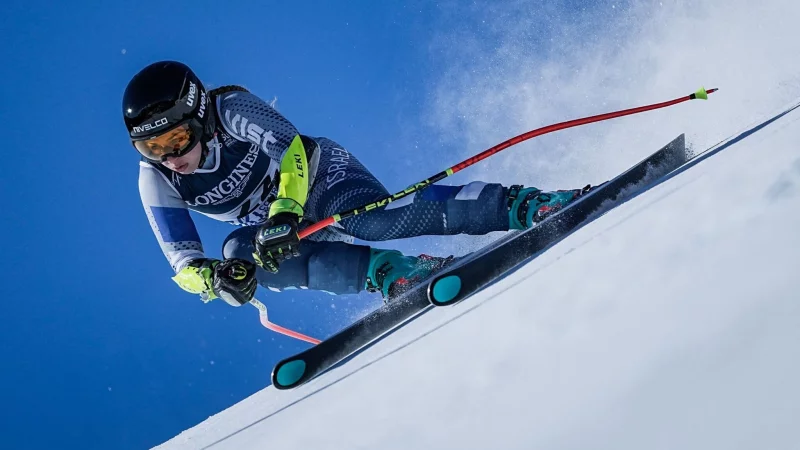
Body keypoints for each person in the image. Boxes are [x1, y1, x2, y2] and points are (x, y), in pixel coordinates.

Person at [124, 61, 589, 307]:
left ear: (199, 116)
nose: (170, 157)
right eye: (152, 148)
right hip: (283, 228)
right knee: (240, 255)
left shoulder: (230, 110)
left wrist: (285, 208)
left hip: (318, 178)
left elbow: (293, 150)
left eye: (176, 139)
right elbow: (182, 263)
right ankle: (390, 271)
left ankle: (523, 205)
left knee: (372, 221)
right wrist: (216, 278)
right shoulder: (158, 178)